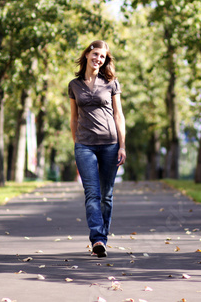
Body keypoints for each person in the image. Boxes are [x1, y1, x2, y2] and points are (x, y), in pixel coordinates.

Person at [68, 40, 126, 258]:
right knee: (92, 193)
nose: (98, 59)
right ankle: (98, 240)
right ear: (87, 55)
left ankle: (103, 236)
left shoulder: (111, 83)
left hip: (110, 145)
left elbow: (119, 116)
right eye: (95, 54)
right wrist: (76, 144)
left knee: (106, 196)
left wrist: (122, 145)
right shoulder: (74, 85)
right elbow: (73, 119)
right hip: (85, 146)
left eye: (103, 56)